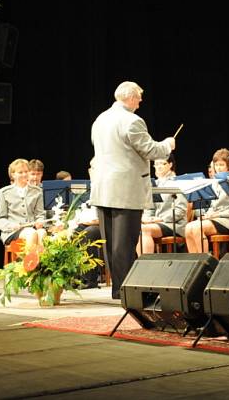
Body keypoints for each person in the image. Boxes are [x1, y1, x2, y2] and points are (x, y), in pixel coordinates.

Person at [90, 81, 175, 299]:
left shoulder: (100, 119)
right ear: (129, 98)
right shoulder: (132, 120)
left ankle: (119, 289)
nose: (141, 101)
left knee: (112, 244)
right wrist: (167, 145)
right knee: (125, 243)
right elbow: (150, 150)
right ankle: (130, 291)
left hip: (103, 187)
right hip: (125, 189)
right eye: (138, 97)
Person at [137, 154, 187, 254]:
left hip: (175, 224)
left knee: (145, 230)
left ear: (170, 164)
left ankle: (146, 265)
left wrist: (161, 219)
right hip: (158, 223)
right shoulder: (155, 183)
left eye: (162, 164)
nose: (158, 167)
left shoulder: (177, 182)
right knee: (137, 228)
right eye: (156, 164)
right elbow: (150, 207)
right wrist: (147, 218)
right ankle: (142, 265)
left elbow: (180, 210)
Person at [0, 158, 46, 249]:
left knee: (42, 233)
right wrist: (11, 225)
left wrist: (40, 221)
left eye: (26, 171)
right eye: (20, 172)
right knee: (31, 233)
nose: (24, 174)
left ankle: (39, 263)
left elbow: (40, 214)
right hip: (12, 231)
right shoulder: (4, 192)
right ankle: (29, 263)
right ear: (13, 174)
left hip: (31, 228)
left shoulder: (37, 191)